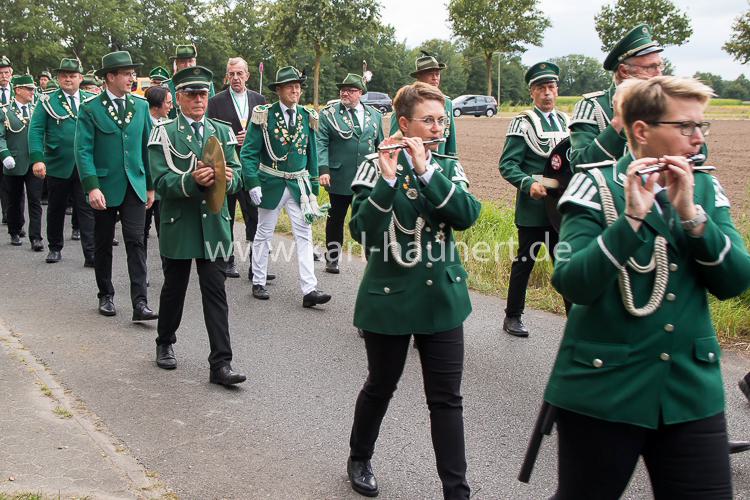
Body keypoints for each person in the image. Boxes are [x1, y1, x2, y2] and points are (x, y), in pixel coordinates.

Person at [543, 76, 750, 498]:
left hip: (690, 391)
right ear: (642, 131)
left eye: (701, 127)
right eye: (686, 126)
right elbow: (572, 281)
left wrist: (692, 216)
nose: (698, 138)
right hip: (605, 388)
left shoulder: (704, 187)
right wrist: (630, 222)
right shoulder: (595, 186)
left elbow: (736, 281)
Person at [346, 82, 480, 499]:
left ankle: (456, 491)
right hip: (390, 297)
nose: (438, 128)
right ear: (404, 123)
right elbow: (362, 233)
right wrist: (388, 182)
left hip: (442, 297)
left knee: (446, 399)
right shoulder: (375, 165)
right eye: (429, 120)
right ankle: (359, 455)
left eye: (442, 120)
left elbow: (466, 216)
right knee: (381, 385)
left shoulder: (446, 167)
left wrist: (426, 172)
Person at [148, 65, 246, 387]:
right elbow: (161, 181)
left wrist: (230, 180)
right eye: (191, 94)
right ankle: (165, 341)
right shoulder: (164, 133)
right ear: (178, 98)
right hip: (180, 224)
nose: (199, 100)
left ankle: (221, 363)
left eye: (203, 93)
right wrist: (190, 182)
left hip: (215, 225)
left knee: (215, 293)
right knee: (174, 288)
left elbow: (239, 174)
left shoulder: (222, 131)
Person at [75, 50, 157, 321]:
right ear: (110, 77)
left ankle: (140, 302)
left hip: (134, 184)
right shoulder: (90, 109)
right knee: (103, 242)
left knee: (136, 241)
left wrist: (150, 185)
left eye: (133, 73)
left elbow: (148, 148)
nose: (131, 78)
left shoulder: (141, 106)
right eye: (126, 73)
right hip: (104, 187)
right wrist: (91, 186)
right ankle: (106, 294)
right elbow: (83, 150)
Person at [240, 66, 330, 307]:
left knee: (305, 235)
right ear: (278, 90)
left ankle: (309, 289)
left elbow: (311, 153)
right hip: (270, 183)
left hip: (298, 185)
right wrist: (252, 183)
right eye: (290, 85)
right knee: (264, 233)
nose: (295, 89)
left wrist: (312, 186)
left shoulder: (306, 115)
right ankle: (258, 280)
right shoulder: (264, 114)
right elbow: (248, 154)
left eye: (298, 85)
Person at [499, 62, 571, 337]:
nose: (548, 94)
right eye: (541, 88)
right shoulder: (523, 121)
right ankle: (513, 316)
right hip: (533, 209)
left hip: (561, 209)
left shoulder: (566, 121)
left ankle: (574, 320)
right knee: (525, 262)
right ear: (532, 92)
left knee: (564, 263)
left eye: (551, 87)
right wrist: (528, 183)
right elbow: (508, 165)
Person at [29, 57, 96, 266]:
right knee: (56, 208)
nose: (68, 79)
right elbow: (36, 130)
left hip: (85, 164)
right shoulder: (47, 100)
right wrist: (37, 159)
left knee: (86, 209)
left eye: (73, 75)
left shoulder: (90, 99)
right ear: (58, 78)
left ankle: (91, 253)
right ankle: (55, 247)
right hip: (58, 163)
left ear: (80, 78)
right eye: (64, 75)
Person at [569, 24, 664, 169]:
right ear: (624, 71)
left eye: (660, 66)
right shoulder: (593, 107)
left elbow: (697, 154)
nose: (659, 75)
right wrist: (617, 122)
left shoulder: (666, 105)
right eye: (650, 67)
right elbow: (579, 165)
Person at [317, 73, 383, 274]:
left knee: (367, 218)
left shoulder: (375, 115)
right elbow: (321, 142)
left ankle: (371, 259)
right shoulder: (329, 114)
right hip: (339, 176)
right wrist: (323, 169)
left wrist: (384, 171)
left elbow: (380, 144)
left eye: (351, 90)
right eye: (343, 90)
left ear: (360, 93)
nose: (345, 93)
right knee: (336, 217)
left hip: (367, 178)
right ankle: (332, 258)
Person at [207, 57, 267, 279]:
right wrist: (232, 138)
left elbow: (266, 132)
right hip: (228, 167)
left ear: (247, 75)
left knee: (254, 217)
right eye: (231, 74)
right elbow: (210, 134)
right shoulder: (215, 102)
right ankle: (228, 261)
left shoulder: (259, 100)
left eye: (239, 74)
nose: (235, 78)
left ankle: (257, 265)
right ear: (227, 76)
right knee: (227, 216)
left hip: (252, 168)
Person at [1, 74, 42, 250]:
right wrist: (5, 155)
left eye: (33, 89)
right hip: (14, 161)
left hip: (34, 161)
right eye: (29, 89)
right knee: (14, 199)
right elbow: (1, 136)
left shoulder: (37, 109)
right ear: (18, 90)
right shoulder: (4, 110)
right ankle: (15, 230)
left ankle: (36, 237)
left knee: (35, 200)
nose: (32, 92)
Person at [390, 51, 457, 156]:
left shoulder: (447, 102)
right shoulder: (406, 101)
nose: (435, 78)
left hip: (439, 163)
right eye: (430, 74)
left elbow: (450, 140)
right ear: (419, 77)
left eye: (437, 74)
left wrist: (451, 160)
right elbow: (395, 140)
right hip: (413, 162)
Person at [143, 85, 173, 244]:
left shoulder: (169, 124)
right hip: (144, 185)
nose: (171, 106)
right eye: (168, 103)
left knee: (165, 231)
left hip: (162, 187)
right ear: (156, 105)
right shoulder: (142, 122)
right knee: (140, 233)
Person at [167, 44, 215, 119]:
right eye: (183, 62)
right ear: (176, 63)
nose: (187, 65)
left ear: (195, 62)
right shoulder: (167, 86)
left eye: (190, 61)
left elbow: (212, 109)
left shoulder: (208, 84)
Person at [0, 56, 14, 225]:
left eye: (6, 73)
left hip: (13, 141)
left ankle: (9, 213)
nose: (3, 76)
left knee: (11, 181)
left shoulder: (18, 91)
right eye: (1, 73)